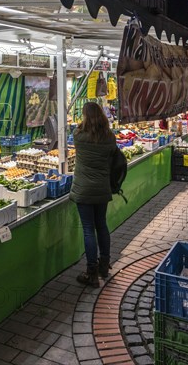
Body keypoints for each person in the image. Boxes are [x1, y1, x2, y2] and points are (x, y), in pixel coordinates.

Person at [70, 101, 118, 288]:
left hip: (83, 189)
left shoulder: (78, 136)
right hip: (102, 188)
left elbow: (79, 128)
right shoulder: (110, 137)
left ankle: (91, 273)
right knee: (102, 225)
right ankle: (104, 265)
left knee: (88, 229)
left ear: (85, 116)